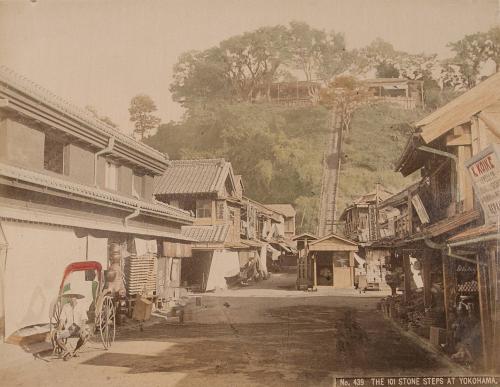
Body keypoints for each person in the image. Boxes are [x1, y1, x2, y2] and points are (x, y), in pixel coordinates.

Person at [55, 293, 90, 360]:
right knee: (57, 336)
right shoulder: (66, 306)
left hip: (79, 328)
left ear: (76, 298)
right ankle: (66, 351)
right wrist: (59, 329)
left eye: (73, 297)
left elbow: (84, 319)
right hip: (69, 329)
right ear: (69, 298)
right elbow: (62, 320)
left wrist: (82, 329)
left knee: (85, 336)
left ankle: (75, 350)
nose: (72, 299)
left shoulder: (81, 306)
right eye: (70, 297)